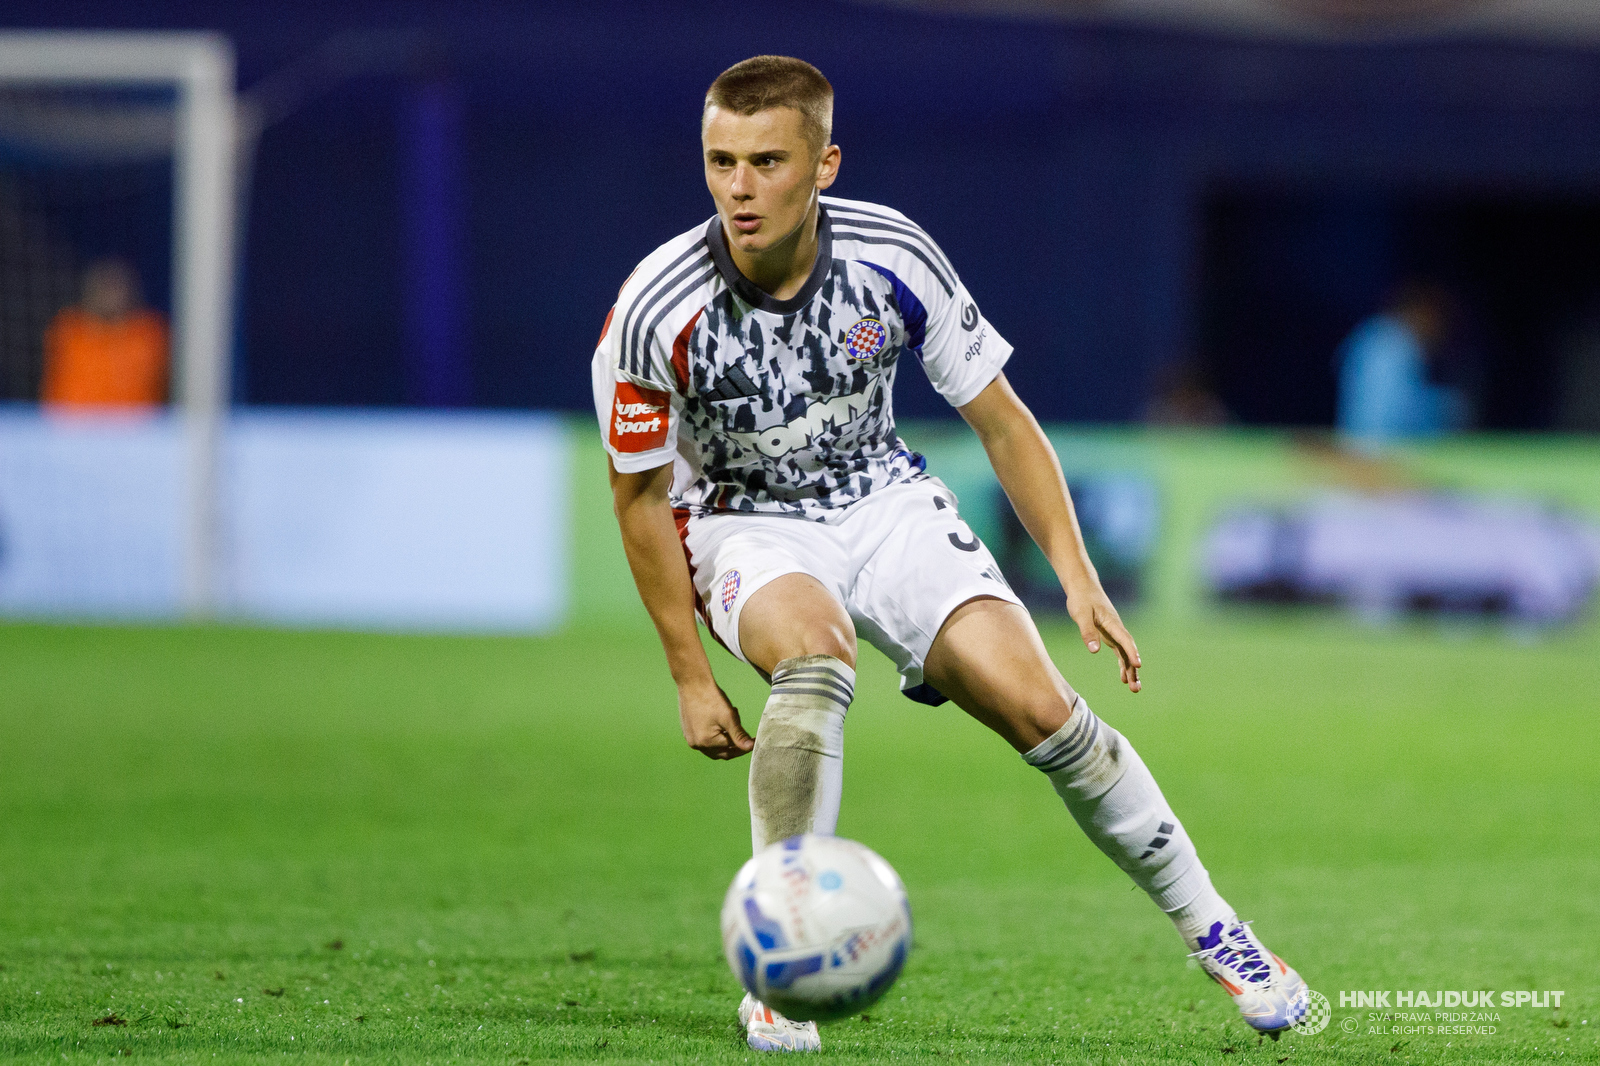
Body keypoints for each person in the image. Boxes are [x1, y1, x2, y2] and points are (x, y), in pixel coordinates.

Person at [594, 56, 1308, 1053]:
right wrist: (687, 671)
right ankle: (781, 966)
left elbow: (1003, 423)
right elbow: (636, 497)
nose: (738, 188)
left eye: (765, 161)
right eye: (720, 162)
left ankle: (1221, 936)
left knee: (1048, 712)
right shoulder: (656, 308)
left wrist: (1076, 572)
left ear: (824, 164)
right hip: (741, 519)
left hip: (884, 502)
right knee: (813, 655)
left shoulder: (893, 257)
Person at [1336, 281, 1466, 447]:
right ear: (1420, 311)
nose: (1439, 328)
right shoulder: (1393, 343)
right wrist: (1448, 407)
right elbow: (1384, 419)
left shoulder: (1377, 334)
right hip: (1377, 450)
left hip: (1365, 446)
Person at [40, 257, 169, 411]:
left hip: (136, 430)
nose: (110, 295)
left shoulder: (149, 334)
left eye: (115, 286)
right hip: (73, 428)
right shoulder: (68, 330)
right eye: (104, 286)